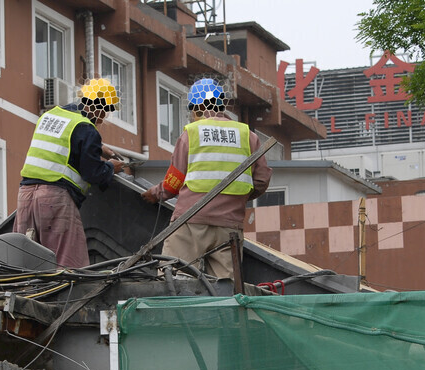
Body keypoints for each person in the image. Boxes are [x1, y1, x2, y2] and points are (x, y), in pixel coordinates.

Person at [141, 77, 272, 280]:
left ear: (199, 105)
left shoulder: (192, 133)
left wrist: (155, 194)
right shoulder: (248, 136)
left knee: (174, 281)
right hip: (229, 226)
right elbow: (262, 180)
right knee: (226, 289)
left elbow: (174, 180)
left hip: (191, 222)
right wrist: (237, 196)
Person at [14, 78, 126, 268]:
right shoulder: (87, 128)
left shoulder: (50, 116)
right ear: (99, 108)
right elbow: (93, 174)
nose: (102, 118)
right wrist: (111, 167)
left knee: (25, 262)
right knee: (67, 265)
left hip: (25, 197)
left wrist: (98, 147)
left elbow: (63, 145)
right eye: (105, 112)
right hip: (54, 200)